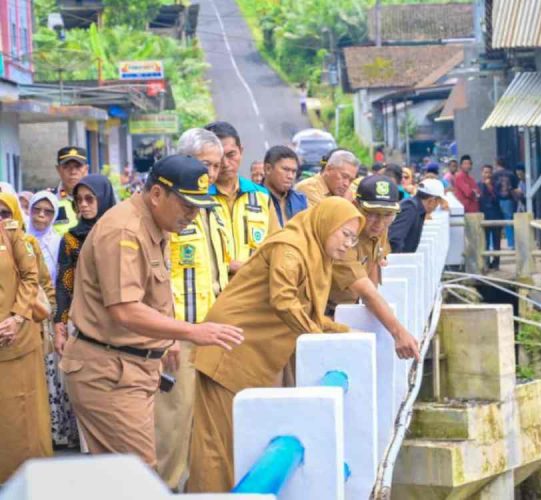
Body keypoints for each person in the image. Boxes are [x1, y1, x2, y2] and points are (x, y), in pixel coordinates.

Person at [59, 156, 243, 468]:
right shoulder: (125, 231)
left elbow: (155, 291)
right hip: (109, 371)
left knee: (120, 477)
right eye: (187, 205)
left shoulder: (156, 223)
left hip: (129, 368)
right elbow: (125, 310)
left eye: (198, 206)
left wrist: (168, 338)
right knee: (139, 474)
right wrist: (191, 331)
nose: (193, 215)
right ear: (157, 195)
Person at [188, 197, 365, 492]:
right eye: (344, 234)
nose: (348, 244)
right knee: (216, 444)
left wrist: (342, 330)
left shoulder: (316, 254)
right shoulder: (291, 247)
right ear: (326, 224)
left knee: (238, 441)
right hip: (229, 344)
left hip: (251, 350)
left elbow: (307, 312)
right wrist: (320, 337)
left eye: (353, 238)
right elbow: (284, 300)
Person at [156, 129, 232, 491]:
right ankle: (163, 490)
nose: (213, 173)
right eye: (206, 164)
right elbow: (155, 278)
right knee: (172, 424)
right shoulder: (168, 210)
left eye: (216, 166)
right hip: (179, 334)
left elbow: (223, 268)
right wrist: (168, 331)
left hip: (211, 333)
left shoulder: (212, 210)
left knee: (205, 424)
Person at [327, 175, 419, 359]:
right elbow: (366, 291)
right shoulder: (344, 236)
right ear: (355, 205)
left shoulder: (380, 228)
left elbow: (374, 267)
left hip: (348, 307)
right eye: (372, 213)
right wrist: (398, 333)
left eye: (387, 215)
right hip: (322, 310)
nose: (379, 223)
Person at [0, 199, 53, 482]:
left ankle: (31, 482)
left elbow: (36, 280)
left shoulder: (17, 237)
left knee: (25, 417)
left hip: (18, 341)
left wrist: (17, 317)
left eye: (5, 212)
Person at [54, 175, 117, 356]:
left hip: (121, 319)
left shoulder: (120, 234)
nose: (83, 204)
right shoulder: (71, 239)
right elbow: (64, 286)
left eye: (90, 198)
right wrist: (60, 329)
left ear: (103, 198)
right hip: (85, 321)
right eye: (79, 199)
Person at [204, 122, 275, 274]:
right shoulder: (195, 200)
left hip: (253, 290)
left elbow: (276, 246)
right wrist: (228, 266)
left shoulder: (261, 196)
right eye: (218, 157)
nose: (225, 164)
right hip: (214, 293)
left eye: (231, 155)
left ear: (241, 151)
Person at [388, 179, 445, 253]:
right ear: (432, 201)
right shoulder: (410, 208)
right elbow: (395, 239)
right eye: (438, 202)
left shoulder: (416, 208)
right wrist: (401, 261)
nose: (438, 205)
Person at [263, 145, 308, 229]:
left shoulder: (300, 200)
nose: (290, 176)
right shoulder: (252, 198)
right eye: (286, 170)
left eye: (294, 171)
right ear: (268, 169)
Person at [295, 149, 359, 207]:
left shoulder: (350, 191)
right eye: (344, 176)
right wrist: (345, 204)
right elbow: (323, 219)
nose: (346, 184)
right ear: (329, 169)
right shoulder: (308, 188)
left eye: (351, 180)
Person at [50, 147, 89, 236]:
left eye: (78, 166)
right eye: (66, 167)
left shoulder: (97, 199)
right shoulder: (50, 200)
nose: (73, 172)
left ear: (86, 169)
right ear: (58, 169)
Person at [28, 191, 61, 286]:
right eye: (37, 209)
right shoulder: (19, 237)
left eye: (48, 212)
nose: (41, 215)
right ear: (30, 210)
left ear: (55, 215)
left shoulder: (58, 243)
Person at [492, 157, 521, 249]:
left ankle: (493, 245)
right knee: (509, 222)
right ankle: (511, 244)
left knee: (495, 223)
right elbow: (515, 187)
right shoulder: (511, 174)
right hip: (508, 200)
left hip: (497, 200)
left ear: (497, 164)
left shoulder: (494, 175)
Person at [479, 165, 502, 270]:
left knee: (496, 241)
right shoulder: (478, 185)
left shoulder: (497, 184)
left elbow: (498, 198)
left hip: (496, 215)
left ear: (492, 174)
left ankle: (496, 263)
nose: (487, 174)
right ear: (482, 173)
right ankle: (486, 262)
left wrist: (490, 187)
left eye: (489, 172)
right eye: (485, 172)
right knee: (485, 241)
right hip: (484, 215)